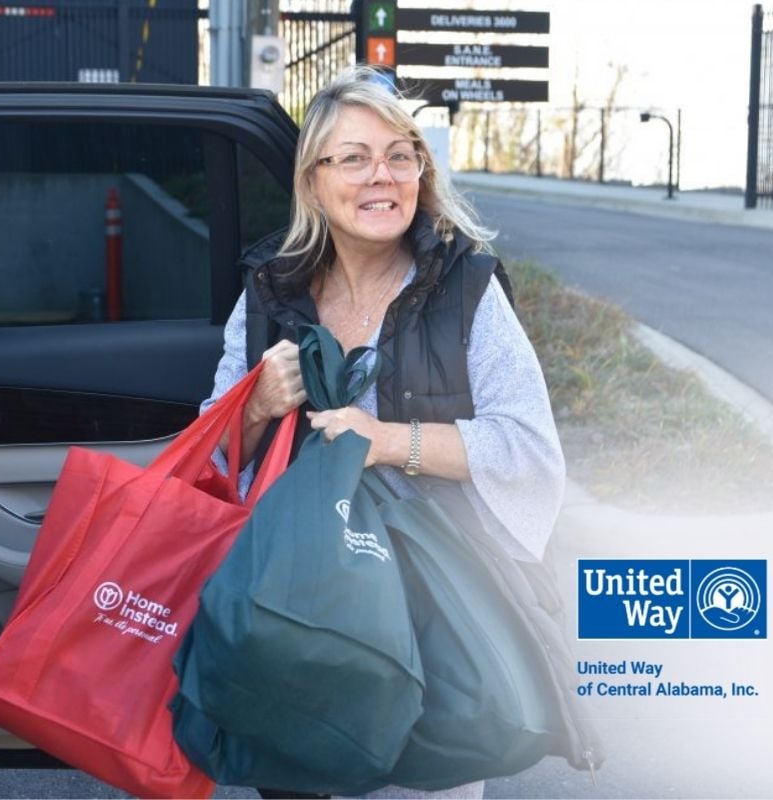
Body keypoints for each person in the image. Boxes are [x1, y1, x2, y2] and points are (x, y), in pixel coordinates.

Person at [200, 65, 565, 799]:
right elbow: (210, 456)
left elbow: (527, 451)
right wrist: (256, 405)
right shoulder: (272, 292)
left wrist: (388, 440)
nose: (382, 176)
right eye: (355, 157)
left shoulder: (466, 290)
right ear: (312, 182)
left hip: (432, 624)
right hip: (298, 625)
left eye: (400, 155)